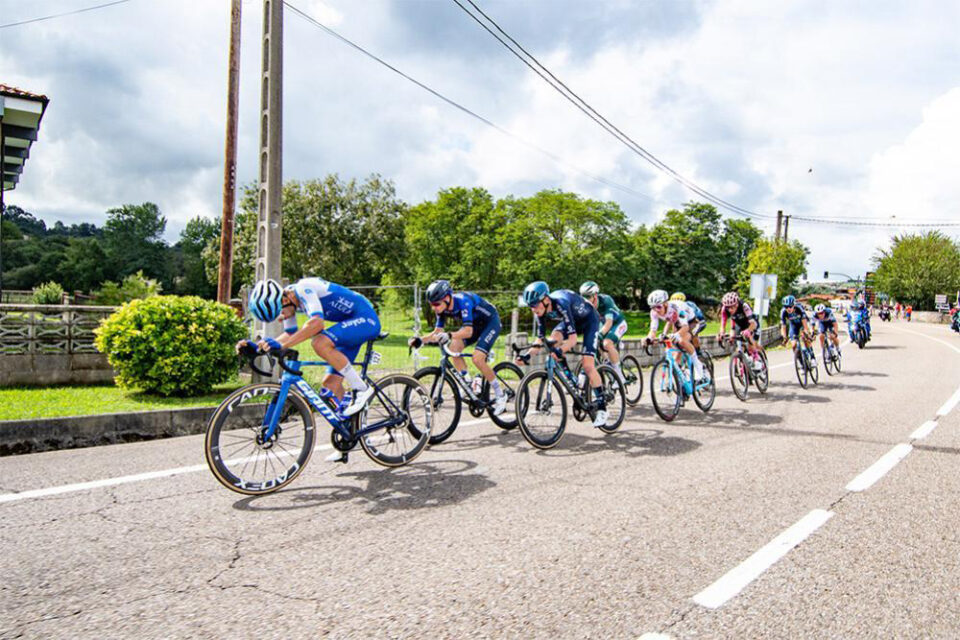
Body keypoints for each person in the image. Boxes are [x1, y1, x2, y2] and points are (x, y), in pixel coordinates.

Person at [244, 277, 382, 417]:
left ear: (285, 301)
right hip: (350, 323)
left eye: (279, 313)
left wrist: (282, 345)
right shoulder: (290, 301)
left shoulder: (303, 288)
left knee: (319, 342)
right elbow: (290, 333)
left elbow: (317, 324)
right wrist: (259, 348)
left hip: (366, 318)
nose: (281, 318)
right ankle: (352, 431)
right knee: (330, 385)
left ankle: (361, 388)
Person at [518, 281, 608, 428]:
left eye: (535, 305)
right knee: (554, 338)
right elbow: (540, 339)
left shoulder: (561, 304)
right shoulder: (540, 311)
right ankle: (572, 379)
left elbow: (572, 340)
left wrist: (559, 351)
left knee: (588, 365)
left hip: (589, 320)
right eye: (530, 306)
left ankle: (602, 407)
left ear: (546, 299)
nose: (533, 309)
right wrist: (527, 355)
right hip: (573, 321)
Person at [413, 280, 507, 415]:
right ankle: (468, 383)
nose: (434, 308)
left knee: (478, 359)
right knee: (453, 348)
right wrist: (421, 340)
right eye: (431, 305)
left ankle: (500, 394)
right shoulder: (442, 309)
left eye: (436, 304)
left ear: (446, 298)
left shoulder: (463, 301)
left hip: (490, 322)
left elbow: (468, 332)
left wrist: (450, 334)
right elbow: (437, 332)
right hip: (474, 325)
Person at [645, 289, 705, 382]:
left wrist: (677, 335)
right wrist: (649, 339)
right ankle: (681, 383)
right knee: (675, 354)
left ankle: (698, 365)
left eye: (658, 307)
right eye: (653, 307)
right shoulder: (654, 312)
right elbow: (653, 330)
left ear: (665, 304)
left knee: (682, 341)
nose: (656, 310)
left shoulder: (676, 307)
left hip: (691, 322)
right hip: (678, 323)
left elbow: (685, 327)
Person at [579, 281, 628, 379]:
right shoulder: (585, 305)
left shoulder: (606, 301)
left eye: (588, 296)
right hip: (603, 324)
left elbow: (609, 323)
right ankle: (607, 365)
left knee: (606, 343)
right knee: (597, 344)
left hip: (617, 323)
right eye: (584, 296)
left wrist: (600, 334)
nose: (586, 299)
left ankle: (619, 375)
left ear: (595, 295)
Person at [717, 291, 763, 372]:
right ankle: (745, 363)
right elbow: (723, 324)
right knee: (738, 344)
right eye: (728, 307)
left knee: (750, 341)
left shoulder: (744, 306)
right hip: (740, 324)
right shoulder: (724, 309)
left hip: (751, 323)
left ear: (737, 304)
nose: (730, 310)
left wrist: (748, 330)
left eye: (732, 307)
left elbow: (753, 324)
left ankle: (757, 358)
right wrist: (721, 334)